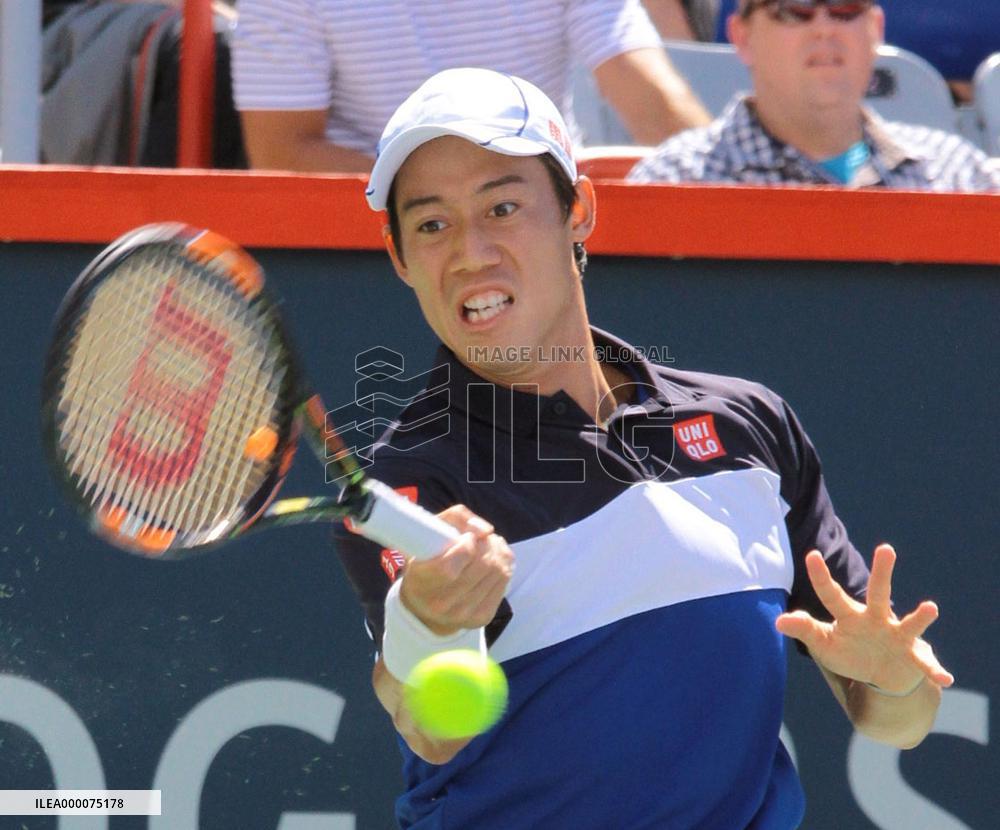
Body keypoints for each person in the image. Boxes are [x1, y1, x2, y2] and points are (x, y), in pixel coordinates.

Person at [332, 66, 954, 829]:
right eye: (431, 224)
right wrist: (428, 621)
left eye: (502, 206)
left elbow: (899, 719)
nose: (469, 252)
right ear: (398, 258)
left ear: (579, 210)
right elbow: (432, 727)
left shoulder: (748, 426)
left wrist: (891, 683)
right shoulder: (410, 487)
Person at [230, 0, 711, 173]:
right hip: (370, 243)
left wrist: (728, 183)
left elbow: (651, 97)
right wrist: (475, 197)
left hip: (552, 233)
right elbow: (283, 153)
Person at [627, 0, 1000, 190]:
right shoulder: (675, 181)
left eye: (844, 8)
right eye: (794, 9)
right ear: (742, 36)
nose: (823, 29)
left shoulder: (960, 176)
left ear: (876, 29)